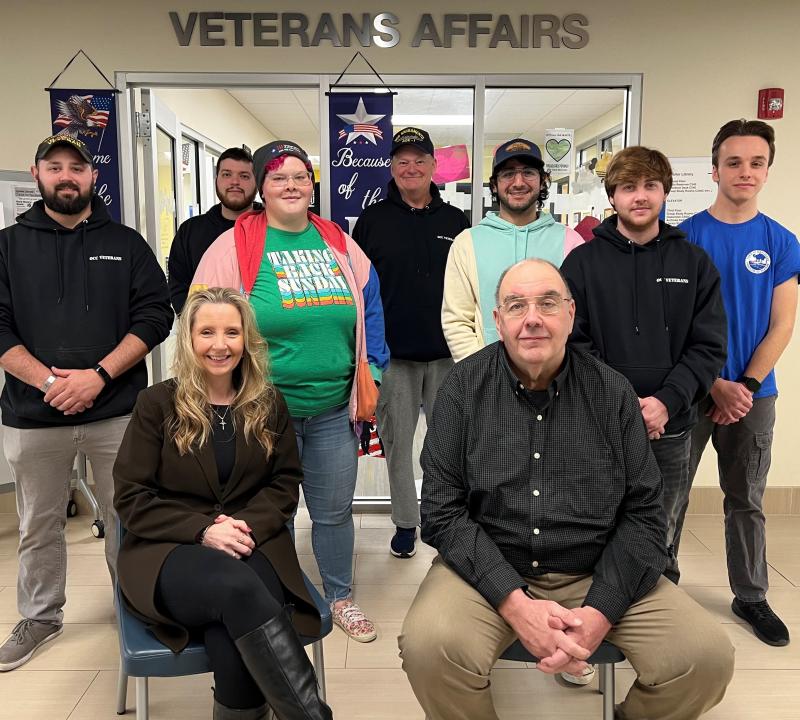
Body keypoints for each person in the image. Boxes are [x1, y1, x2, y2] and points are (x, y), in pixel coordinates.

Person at [399, 258, 735, 720]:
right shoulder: (462, 388)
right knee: (428, 648)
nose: (532, 317)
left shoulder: (612, 392)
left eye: (547, 303)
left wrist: (601, 611)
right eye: (516, 305)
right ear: (497, 321)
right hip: (489, 568)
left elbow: (645, 513)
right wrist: (515, 604)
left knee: (705, 657)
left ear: (571, 313)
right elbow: (441, 509)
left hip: (596, 566)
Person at [191, 140, 389, 643]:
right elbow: (200, 318)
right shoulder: (234, 244)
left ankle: (340, 596)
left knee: (332, 511)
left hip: (329, 410)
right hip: (259, 412)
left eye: (300, 176)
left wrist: (376, 371)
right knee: (259, 511)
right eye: (278, 177)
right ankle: (263, 598)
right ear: (261, 186)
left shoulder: (337, 241)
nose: (291, 185)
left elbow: (370, 302)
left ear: (313, 185)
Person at [114, 288, 331, 720]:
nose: (220, 345)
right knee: (238, 592)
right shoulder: (156, 404)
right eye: (207, 332)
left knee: (231, 628)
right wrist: (204, 530)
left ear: (246, 339)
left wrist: (241, 527)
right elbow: (132, 496)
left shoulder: (269, 403)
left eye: (232, 332)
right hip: (168, 548)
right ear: (189, 340)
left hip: (252, 541)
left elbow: (286, 482)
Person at [0, 134, 173, 671]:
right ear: (37, 174)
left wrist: (98, 375)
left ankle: (135, 605)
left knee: (130, 516)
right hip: (33, 415)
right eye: (55, 167)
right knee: (38, 523)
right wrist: (50, 384)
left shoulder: (125, 243)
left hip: (118, 412)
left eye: (77, 167)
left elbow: (155, 315)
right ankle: (39, 618)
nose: (66, 176)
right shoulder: (7, 245)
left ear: (93, 177)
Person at [561, 146, 727, 584]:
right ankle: (600, 614)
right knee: (597, 525)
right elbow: (572, 342)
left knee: (661, 527)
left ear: (664, 192)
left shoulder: (694, 263)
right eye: (628, 187)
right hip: (597, 425)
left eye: (650, 186)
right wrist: (622, 402)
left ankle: (657, 608)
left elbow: (708, 346)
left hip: (669, 429)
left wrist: (665, 403)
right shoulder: (582, 263)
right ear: (612, 196)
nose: (640, 196)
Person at [680, 119, 800, 647]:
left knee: (746, 498)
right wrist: (712, 383)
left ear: (767, 171)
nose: (744, 171)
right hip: (689, 390)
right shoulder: (683, 237)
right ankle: (658, 586)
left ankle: (751, 595)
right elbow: (673, 325)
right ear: (715, 169)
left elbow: (782, 324)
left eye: (756, 162)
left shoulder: (781, 241)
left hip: (754, 396)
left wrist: (743, 384)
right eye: (734, 162)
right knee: (666, 495)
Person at [353, 127, 469, 559]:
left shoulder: (455, 221)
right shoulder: (373, 221)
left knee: (445, 447)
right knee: (398, 446)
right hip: (394, 357)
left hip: (447, 355)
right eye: (402, 160)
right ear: (391, 167)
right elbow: (358, 289)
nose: (411, 167)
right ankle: (406, 523)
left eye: (420, 159)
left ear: (434, 167)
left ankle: (443, 522)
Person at [442, 138, 583, 362]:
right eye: (508, 174)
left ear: (542, 181)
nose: (518, 182)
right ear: (495, 184)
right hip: (487, 379)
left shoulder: (571, 242)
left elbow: (579, 318)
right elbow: (456, 320)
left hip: (557, 379)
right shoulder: (467, 243)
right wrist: (481, 373)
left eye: (528, 172)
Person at [168, 147, 258, 314]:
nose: (235, 182)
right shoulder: (191, 232)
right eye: (227, 174)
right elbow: (179, 287)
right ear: (216, 179)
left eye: (244, 176)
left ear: (257, 182)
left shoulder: (272, 227)